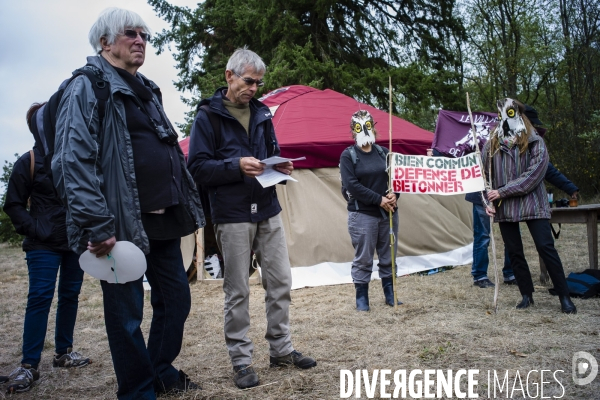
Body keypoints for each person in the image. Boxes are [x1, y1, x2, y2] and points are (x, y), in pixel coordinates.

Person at [51, 8, 205, 399]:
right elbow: (73, 160)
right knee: (126, 315)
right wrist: (96, 223)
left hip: (162, 218)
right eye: (130, 34)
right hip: (117, 225)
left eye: (145, 36)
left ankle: (159, 369)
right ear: (105, 42)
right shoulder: (87, 86)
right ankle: (137, 390)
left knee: (177, 300)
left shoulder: (148, 89)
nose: (140, 41)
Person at [186, 47, 316, 390]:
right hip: (231, 215)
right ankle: (241, 361)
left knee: (280, 281)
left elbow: (269, 153)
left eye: (258, 83)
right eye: (248, 81)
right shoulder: (207, 117)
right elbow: (196, 168)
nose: (254, 88)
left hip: (267, 208)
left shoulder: (262, 113)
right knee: (238, 290)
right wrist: (235, 166)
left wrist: (280, 165)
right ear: (229, 76)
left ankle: (282, 349)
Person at [2, 103, 90, 394]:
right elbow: (13, 204)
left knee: (70, 295)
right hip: (42, 244)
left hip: (73, 241)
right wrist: (34, 227)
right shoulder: (28, 160)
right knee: (40, 297)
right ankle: (28, 365)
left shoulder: (72, 157)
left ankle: (64, 352)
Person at [467, 104, 579, 289]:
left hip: (508, 198)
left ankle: (510, 273)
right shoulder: (493, 141)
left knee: (513, 240)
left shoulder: (529, 143)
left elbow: (546, 170)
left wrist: (570, 188)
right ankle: (479, 275)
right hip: (485, 195)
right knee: (483, 236)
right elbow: (482, 171)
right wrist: (487, 198)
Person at [339, 110, 400, 311]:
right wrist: (379, 200)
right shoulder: (349, 155)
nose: (365, 130)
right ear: (352, 130)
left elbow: (396, 178)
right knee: (364, 257)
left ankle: (390, 294)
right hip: (363, 214)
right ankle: (362, 299)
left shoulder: (384, 152)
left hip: (388, 213)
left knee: (388, 254)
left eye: (367, 125)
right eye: (359, 126)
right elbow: (351, 185)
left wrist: (395, 195)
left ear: (374, 126)